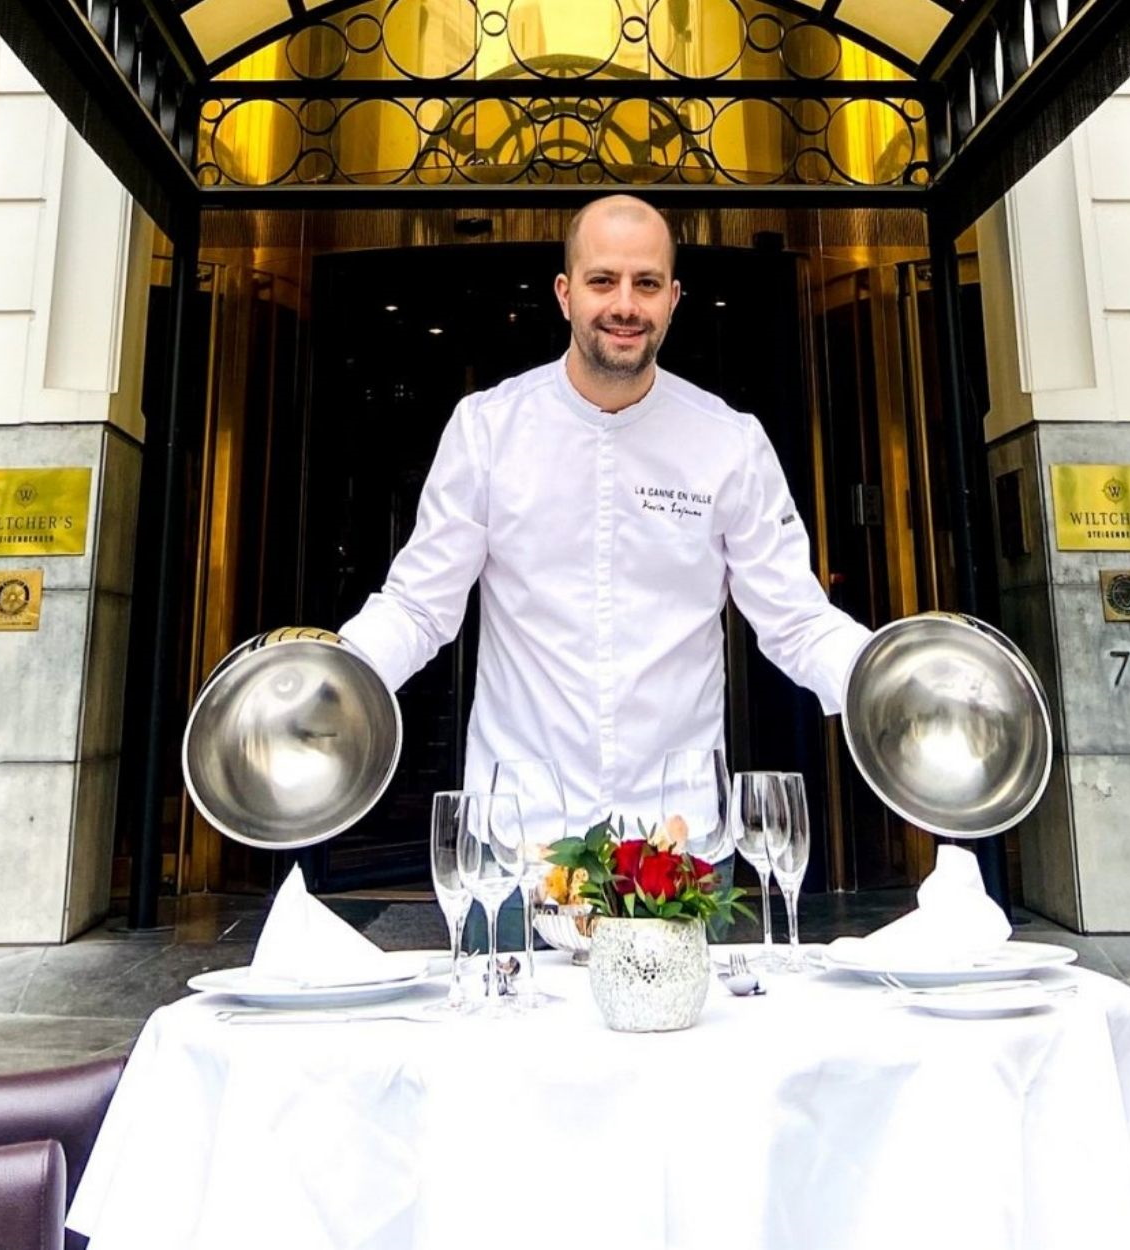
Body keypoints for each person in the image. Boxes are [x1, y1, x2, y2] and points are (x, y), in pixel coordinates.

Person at [338, 194, 871, 841]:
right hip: (519, 835)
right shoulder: (488, 429)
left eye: (646, 283)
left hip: (678, 839)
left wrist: (882, 679)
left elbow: (795, 621)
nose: (625, 305)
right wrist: (334, 679)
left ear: (673, 298)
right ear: (565, 294)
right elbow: (420, 608)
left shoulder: (730, 442)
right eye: (602, 281)